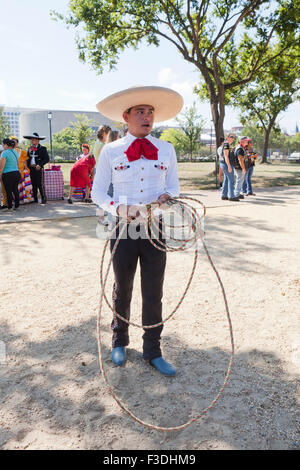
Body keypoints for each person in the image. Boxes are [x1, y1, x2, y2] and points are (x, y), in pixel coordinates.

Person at [92, 85, 183, 376]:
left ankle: (153, 350)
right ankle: (119, 341)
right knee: (123, 286)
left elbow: (173, 188)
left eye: (151, 112)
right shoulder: (110, 150)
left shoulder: (166, 149)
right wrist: (118, 209)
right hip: (122, 230)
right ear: (126, 116)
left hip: (155, 229)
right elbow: (97, 193)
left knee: (153, 290)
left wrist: (166, 201)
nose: (147, 116)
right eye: (140, 111)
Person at [98, 130, 121, 225]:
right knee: (112, 199)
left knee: (106, 198)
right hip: (112, 178)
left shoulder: (107, 148)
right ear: (116, 137)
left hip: (110, 177)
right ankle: (111, 221)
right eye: (120, 136)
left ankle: (103, 218)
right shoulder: (113, 149)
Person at [24, 132, 50, 204]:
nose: (32, 141)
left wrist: (40, 165)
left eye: (34, 140)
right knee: (33, 184)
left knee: (39, 184)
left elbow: (46, 159)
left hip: (38, 168)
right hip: (31, 168)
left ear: (38, 140)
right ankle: (35, 199)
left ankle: (43, 198)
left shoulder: (43, 148)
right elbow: (28, 158)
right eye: (32, 140)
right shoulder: (29, 148)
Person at [10, 136, 34, 204]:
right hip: (13, 171)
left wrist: (26, 169)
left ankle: (25, 199)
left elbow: (25, 161)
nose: (14, 144)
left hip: (22, 171)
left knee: (23, 186)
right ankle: (16, 200)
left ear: (17, 143)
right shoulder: (8, 151)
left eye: (15, 142)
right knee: (15, 186)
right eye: (12, 142)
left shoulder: (22, 151)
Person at [0, 138, 21, 211]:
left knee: (8, 190)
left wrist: (0, 175)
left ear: (6, 145)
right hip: (17, 173)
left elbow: (2, 166)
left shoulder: (4, 153)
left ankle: (9, 206)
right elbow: (18, 164)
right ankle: (17, 205)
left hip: (8, 174)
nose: (2, 145)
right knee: (15, 189)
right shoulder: (15, 152)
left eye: (3, 144)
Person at [219, 134, 239, 201]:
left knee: (226, 180)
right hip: (226, 164)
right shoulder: (226, 145)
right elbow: (226, 156)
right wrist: (229, 166)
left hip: (225, 164)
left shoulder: (227, 145)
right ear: (227, 138)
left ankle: (224, 195)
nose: (232, 138)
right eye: (231, 137)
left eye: (233, 137)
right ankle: (231, 196)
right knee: (231, 180)